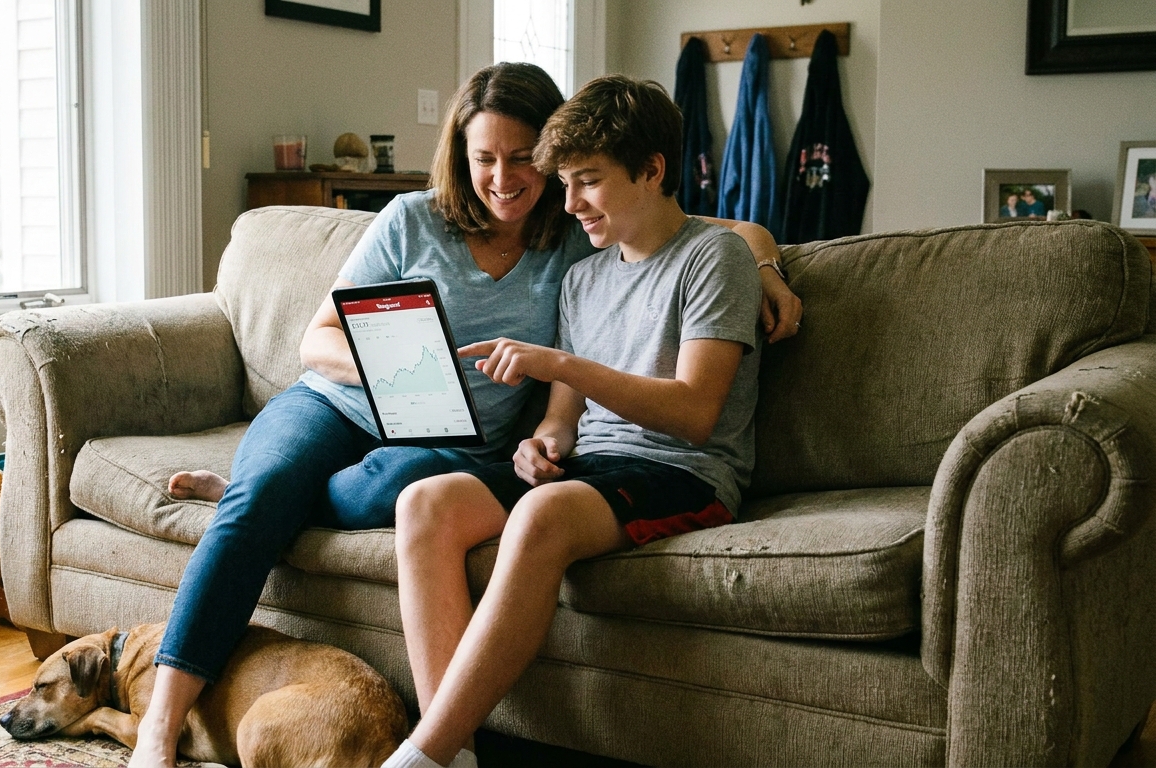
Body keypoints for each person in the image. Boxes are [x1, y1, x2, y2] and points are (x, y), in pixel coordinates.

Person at [128, 63, 802, 768]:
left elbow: (713, 236)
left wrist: (765, 264)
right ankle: (164, 721)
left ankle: (421, 742)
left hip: (476, 446)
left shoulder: (579, 238)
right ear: (462, 156)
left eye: (525, 160)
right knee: (278, 494)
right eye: (485, 159)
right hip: (342, 402)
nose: (505, 178)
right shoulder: (431, 224)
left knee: (385, 490)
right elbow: (317, 342)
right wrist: (425, 378)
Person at [384, 75, 763, 768]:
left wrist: (562, 363)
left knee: (541, 515)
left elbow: (694, 414)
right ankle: (457, 754)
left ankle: (420, 756)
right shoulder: (585, 278)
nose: (569, 204)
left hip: (684, 471)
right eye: (564, 183)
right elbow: (564, 419)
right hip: (592, 468)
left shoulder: (714, 258)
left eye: (588, 181)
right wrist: (540, 444)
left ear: (652, 170)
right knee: (424, 502)